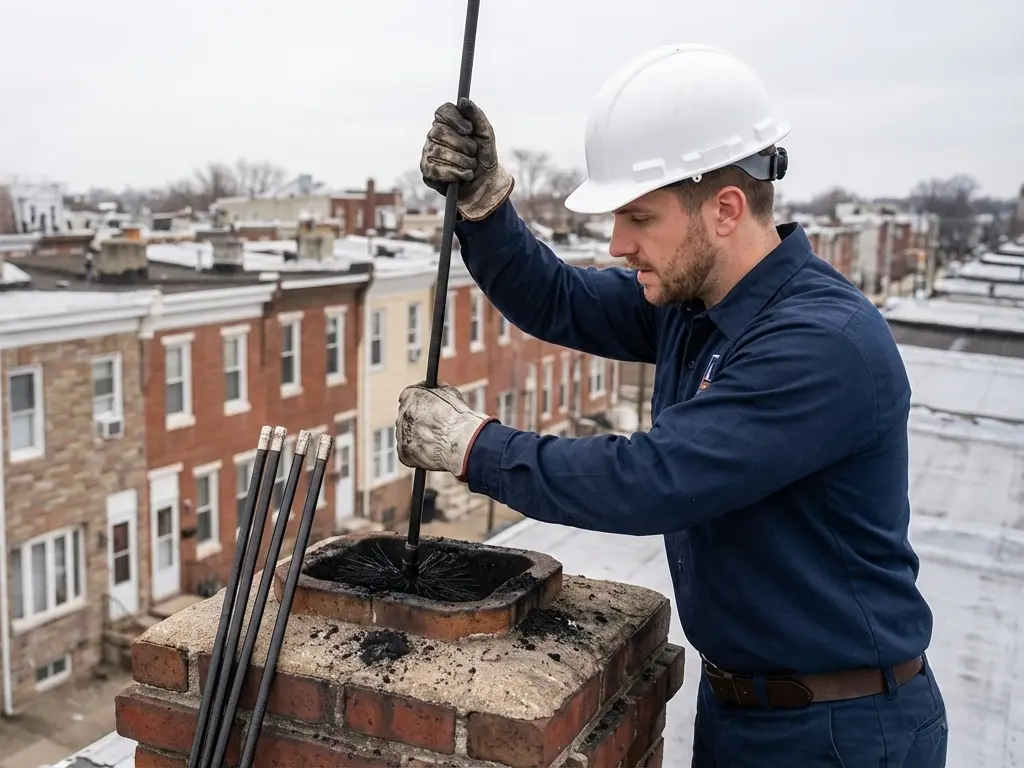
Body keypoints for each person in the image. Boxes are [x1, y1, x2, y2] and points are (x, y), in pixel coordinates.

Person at [397, 42, 949, 767]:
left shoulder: (821, 344)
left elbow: (651, 481)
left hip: (840, 731)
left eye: (639, 217)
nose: (619, 244)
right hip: (745, 710)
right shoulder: (696, 304)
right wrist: (485, 205)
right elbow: (558, 298)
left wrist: (473, 446)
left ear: (724, 210)